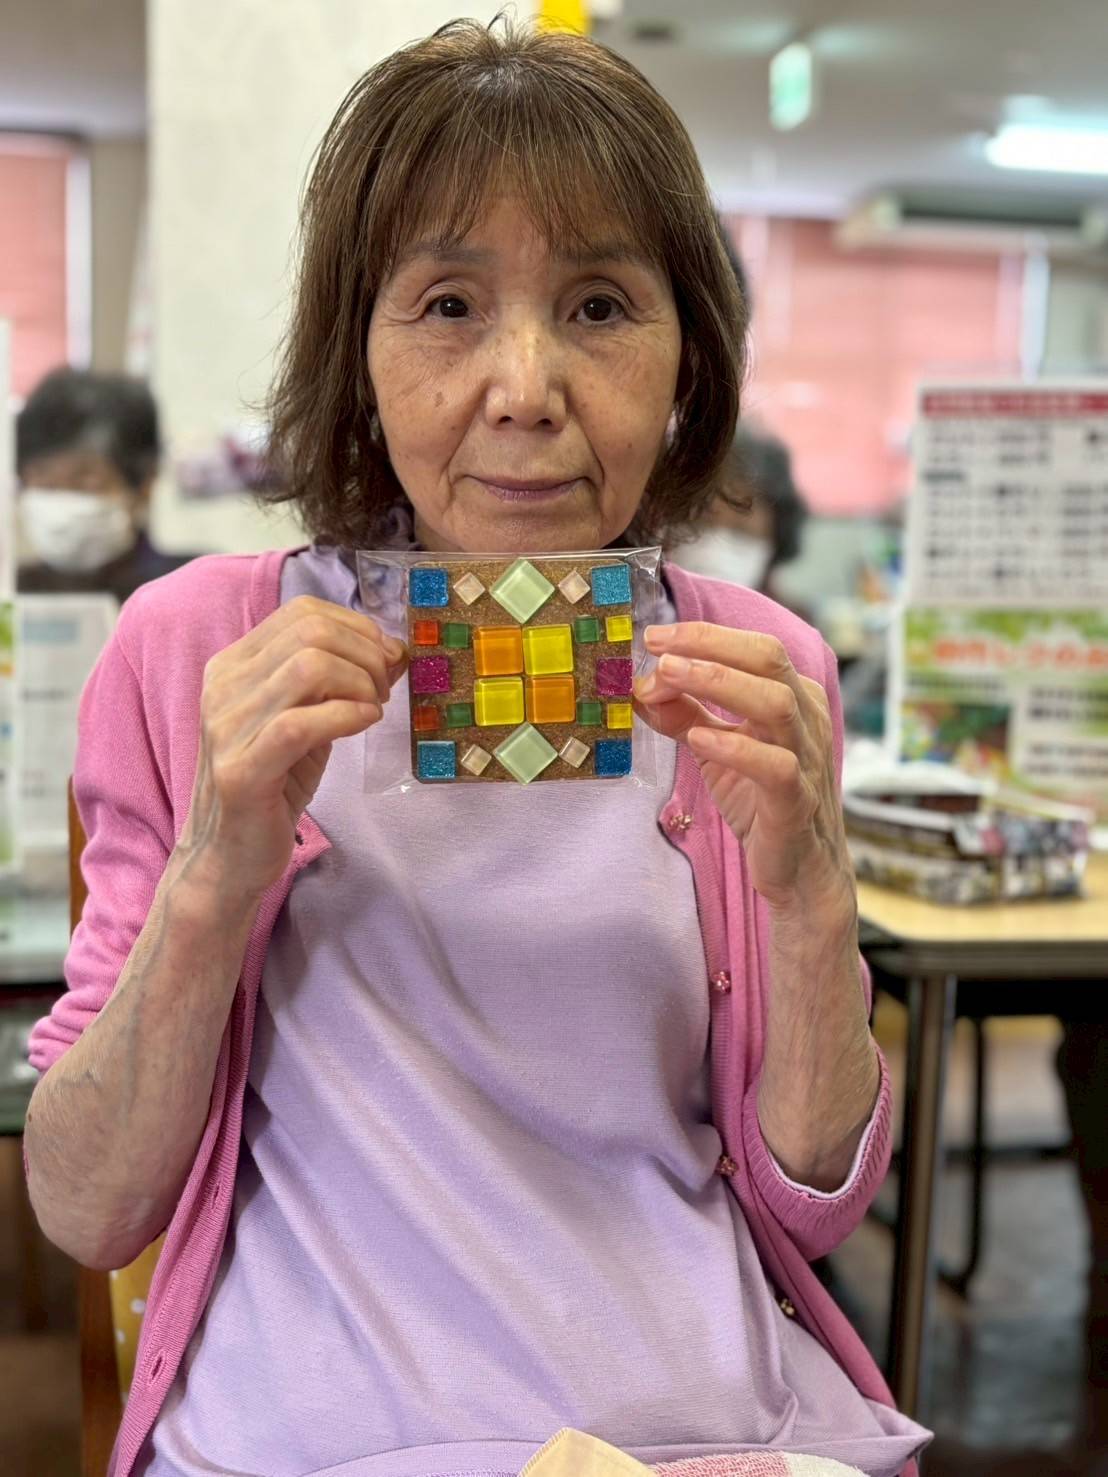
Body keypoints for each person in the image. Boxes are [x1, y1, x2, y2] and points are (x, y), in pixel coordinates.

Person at [23, 21, 929, 1477]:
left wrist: (815, 900)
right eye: (447, 304)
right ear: (358, 353)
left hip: (702, 1432)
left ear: (687, 358)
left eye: (598, 306)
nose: (524, 386)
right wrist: (212, 877)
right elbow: (85, 1207)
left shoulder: (754, 669)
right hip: (317, 1441)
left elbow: (811, 1204)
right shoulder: (197, 650)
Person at [16, 367, 194, 604]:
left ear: (145, 483)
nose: (63, 499)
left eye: (84, 482)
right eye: (45, 483)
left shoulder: (188, 589)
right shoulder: (12, 593)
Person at [672, 427, 811, 620]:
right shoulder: (638, 614)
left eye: (740, 531)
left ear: (777, 536)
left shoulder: (794, 630)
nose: (715, 550)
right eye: (700, 524)